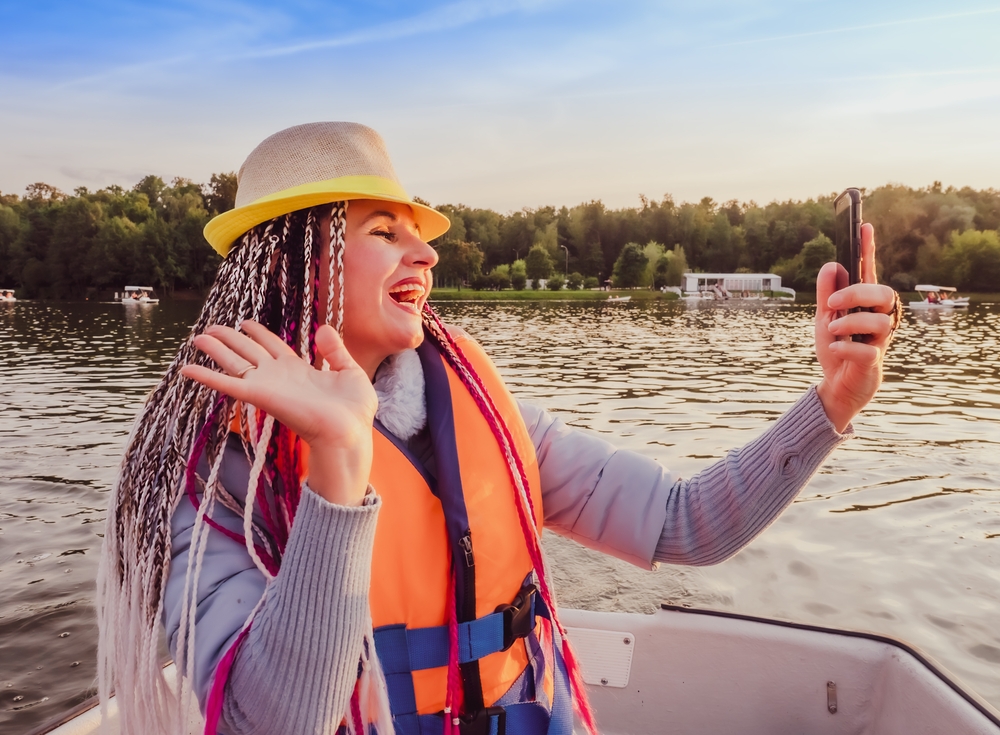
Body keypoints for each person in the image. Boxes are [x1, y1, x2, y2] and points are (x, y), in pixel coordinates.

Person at [97, 122, 901, 735]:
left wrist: (832, 403)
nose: (427, 253)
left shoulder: (474, 403)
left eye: (417, 231)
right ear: (291, 262)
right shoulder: (206, 471)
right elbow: (264, 723)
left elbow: (685, 523)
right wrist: (339, 460)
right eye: (385, 231)